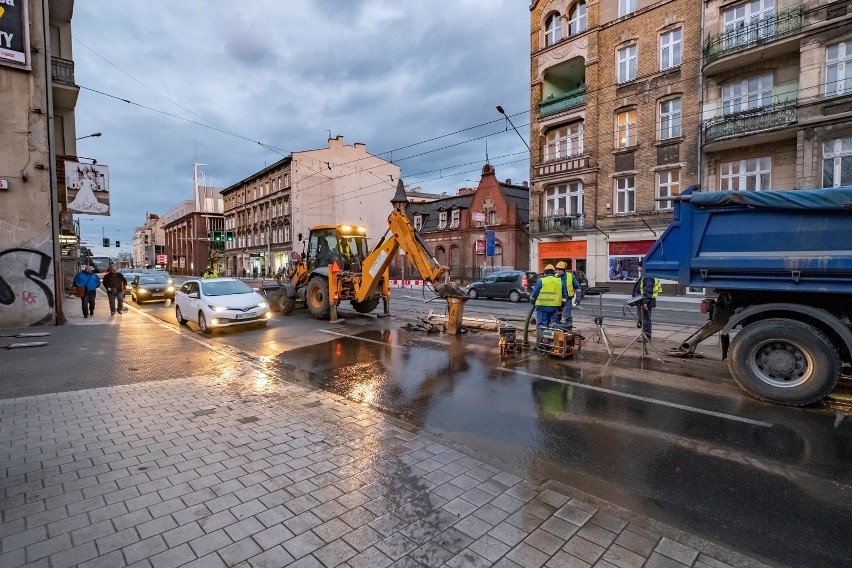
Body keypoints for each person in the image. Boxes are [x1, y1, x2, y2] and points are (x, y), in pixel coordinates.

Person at [632, 260, 661, 338]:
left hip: (647, 301)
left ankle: (646, 336)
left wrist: (645, 302)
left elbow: (648, 290)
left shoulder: (647, 276)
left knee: (646, 319)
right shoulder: (645, 275)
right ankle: (645, 334)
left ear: (642, 267)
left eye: (639, 266)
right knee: (644, 318)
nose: (638, 268)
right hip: (645, 300)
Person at [555, 261, 581, 327]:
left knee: (567, 315)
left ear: (563, 270)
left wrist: (578, 297)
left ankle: (568, 327)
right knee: (556, 315)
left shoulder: (570, 276)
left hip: (567, 299)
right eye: (557, 269)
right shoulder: (555, 277)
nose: (558, 271)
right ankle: (557, 328)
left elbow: (577, 287)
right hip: (558, 300)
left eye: (559, 270)